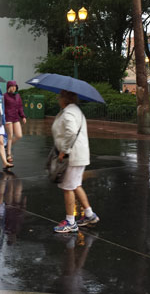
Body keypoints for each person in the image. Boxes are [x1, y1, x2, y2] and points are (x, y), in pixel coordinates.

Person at [52, 90, 99, 233]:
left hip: (72, 156)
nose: (58, 99)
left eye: (60, 97)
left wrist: (64, 151)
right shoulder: (75, 110)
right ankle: (90, 215)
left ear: (65, 99)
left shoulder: (68, 112)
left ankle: (70, 222)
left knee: (67, 188)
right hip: (80, 154)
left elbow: (71, 132)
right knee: (76, 185)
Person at [4, 80, 27, 164]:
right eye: (12, 86)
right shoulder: (5, 96)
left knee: (19, 135)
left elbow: (20, 107)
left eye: (15, 86)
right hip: (8, 118)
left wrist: (23, 116)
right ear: (8, 87)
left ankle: (6, 146)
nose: (14, 88)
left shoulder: (18, 96)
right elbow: (2, 108)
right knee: (10, 136)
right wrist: (3, 119)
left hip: (16, 118)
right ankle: (9, 154)